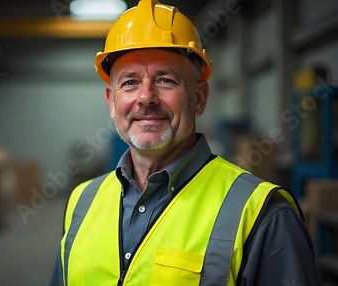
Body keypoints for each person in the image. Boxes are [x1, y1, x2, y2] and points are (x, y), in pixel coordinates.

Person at [48, 0, 320, 285]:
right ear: (111, 103)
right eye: (129, 82)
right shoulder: (82, 201)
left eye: (165, 80)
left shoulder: (262, 215)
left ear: (199, 98)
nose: (146, 97)